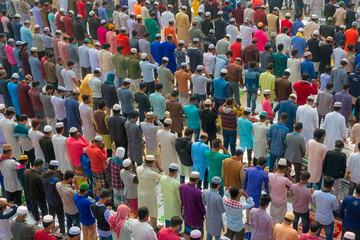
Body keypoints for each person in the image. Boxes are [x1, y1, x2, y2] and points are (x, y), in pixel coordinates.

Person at [137, 155, 164, 228]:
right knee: (153, 212)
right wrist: (158, 166)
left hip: (141, 195)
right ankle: (154, 227)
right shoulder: (152, 174)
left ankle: (144, 225)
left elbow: (142, 166)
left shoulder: (138, 169)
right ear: (152, 163)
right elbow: (163, 176)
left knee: (142, 211)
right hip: (150, 196)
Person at [179, 171, 206, 236]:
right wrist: (205, 213)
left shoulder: (183, 186)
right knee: (197, 235)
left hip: (187, 214)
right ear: (197, 180)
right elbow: (201, 205)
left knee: (187, 233)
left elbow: (181, 199)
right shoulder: (197, 191)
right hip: (196, 217)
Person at [269, 158, 293, 224]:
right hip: (282, 201)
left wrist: (274, 170)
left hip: (273, 199)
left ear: (277, 167)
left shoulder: (270, 175)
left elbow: (272, 175)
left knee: (273, 216)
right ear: (285, 169)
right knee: (281, 217)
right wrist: (289, 175)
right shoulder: (285, 180)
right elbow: (293, 186)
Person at [159, 163, 182, 227]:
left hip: (166, 205)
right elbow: (179, 197)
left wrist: (158, 166)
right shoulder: (176, 183)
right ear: (176, 171)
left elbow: (162, 173)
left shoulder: (162, 179)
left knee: (168, 224)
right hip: (174, 206)